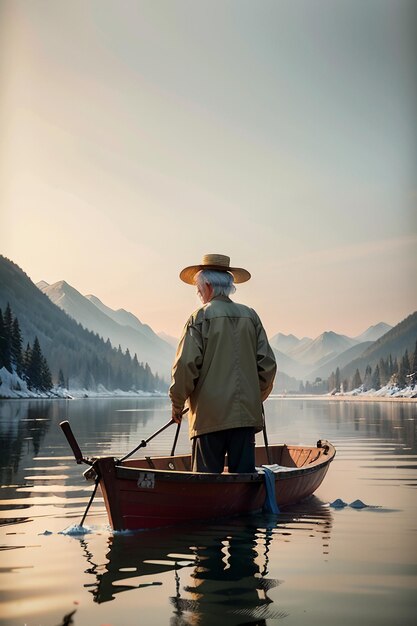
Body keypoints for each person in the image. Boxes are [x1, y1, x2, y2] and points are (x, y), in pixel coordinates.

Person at [169, 253, 277, 473]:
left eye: (198, 289)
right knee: (243, 481)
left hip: (209, 419)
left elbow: (185, 367)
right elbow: (268, 366)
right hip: (245, 419)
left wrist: (177, 403)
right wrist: (253, 398)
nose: (198, 294)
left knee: (205, 484)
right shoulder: (251, 316)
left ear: (207, 286)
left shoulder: (199, 318)